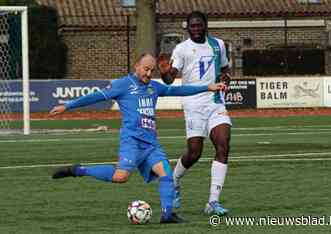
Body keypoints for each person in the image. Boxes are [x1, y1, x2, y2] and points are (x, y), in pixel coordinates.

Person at [49, 53, 226, 223]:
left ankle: (167, 215)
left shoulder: (154, 87)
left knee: (167, 174)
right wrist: (68, 106)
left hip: (151, 144)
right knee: (121, 177)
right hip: (131, 141)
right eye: (146, 69)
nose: (149, 74)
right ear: (136, 67)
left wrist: (207, 87)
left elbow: (178, 89)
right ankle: (78, 170)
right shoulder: (123, 84)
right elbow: (95, 97)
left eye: (152, 71)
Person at [158, 11, 232, 216]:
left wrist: (226, 80)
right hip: (193, 104)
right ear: (188, 28)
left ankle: (213, 202)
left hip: (216, 102)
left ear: (206, 25)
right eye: (192, 26)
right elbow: (170, 80)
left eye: (199, 25)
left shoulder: (218, 45)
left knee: (223, 145)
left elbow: (226, 70)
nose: (196, 29)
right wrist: (164, 72)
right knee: (195, 152)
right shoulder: (182, 49)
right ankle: (173, 180)